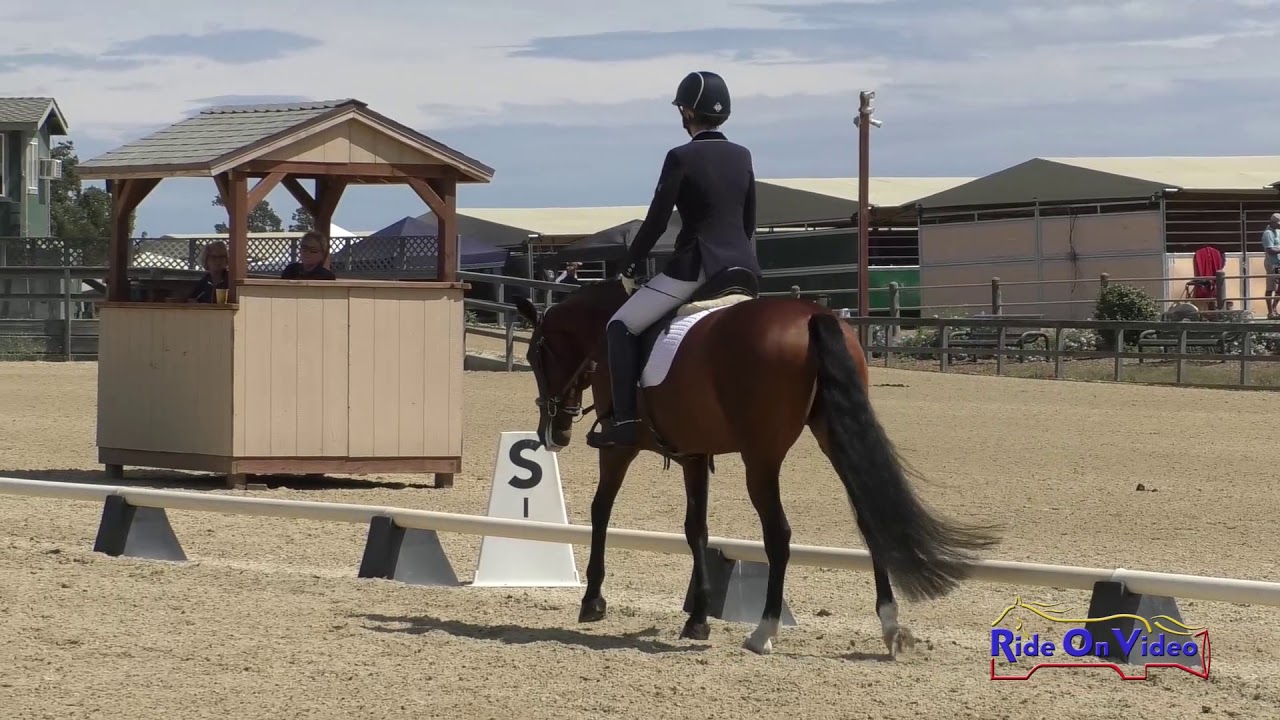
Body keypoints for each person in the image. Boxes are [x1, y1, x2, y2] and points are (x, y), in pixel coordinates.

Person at [585, 70, 760, 450]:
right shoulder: (742, 155)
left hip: (698, 267)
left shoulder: (681, 156)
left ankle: (627, 421)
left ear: (686, 111)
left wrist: (631, 265)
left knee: (620, 326)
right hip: (745, 269)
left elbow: (657, 221)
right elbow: (748, 222)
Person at [1263, 213, 1280, 318]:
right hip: (1272, 263)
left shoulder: (1277, 231)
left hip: (1279, 263)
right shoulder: (1268, 233)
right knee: (1271, 288)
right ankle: (1270, 312)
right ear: (1272, 222)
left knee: (1279, 288)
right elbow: (1270, 250)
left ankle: (1274, 308)